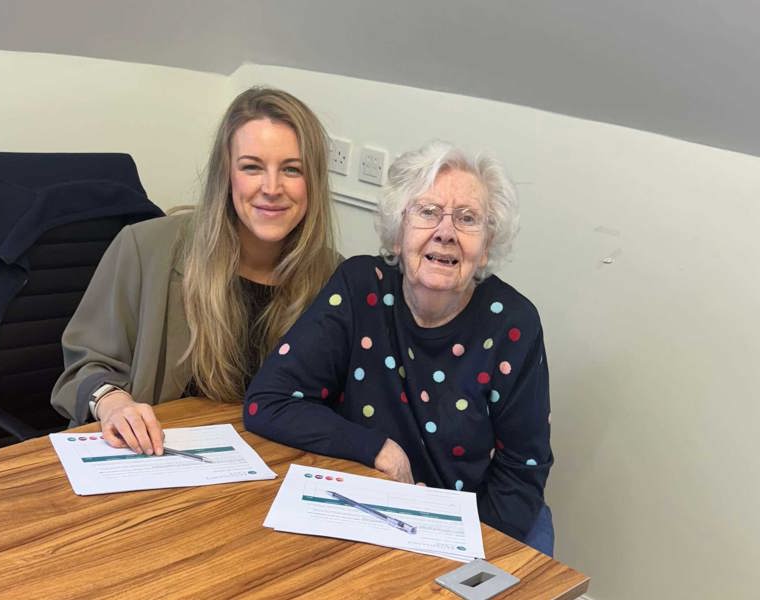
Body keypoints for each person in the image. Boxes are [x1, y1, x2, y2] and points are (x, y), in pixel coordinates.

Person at [244, 140, 554, 555]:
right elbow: (269, 401)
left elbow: (522, 471)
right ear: (397, 233)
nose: (445, 232)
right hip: (366, 511)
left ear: (485, 249)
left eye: (467, 219)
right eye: (427, 212)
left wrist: (457, 543)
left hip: (467, 525)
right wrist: (376, 448)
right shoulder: (360, 286)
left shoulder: (512, 324)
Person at [52, 87, 339, 458]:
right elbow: (85, 364)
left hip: (273, 467)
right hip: (158, 460)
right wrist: (114, 404)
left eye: (291, 169)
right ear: (226, 175)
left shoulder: (332, 276)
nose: (272, 188)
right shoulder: (146, 248)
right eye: (252, 167)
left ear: (313, 181)